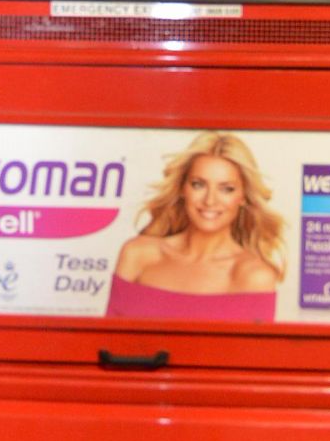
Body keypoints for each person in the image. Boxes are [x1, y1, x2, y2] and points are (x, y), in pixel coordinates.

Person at [107, 131, 285, 323]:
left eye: (227, 189)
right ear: (183, 188)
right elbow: (106, 345)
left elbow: (255, 353)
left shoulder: (254, 276)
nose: (210, 200)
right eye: (198, 184)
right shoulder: (138, 254)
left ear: (243, 197)